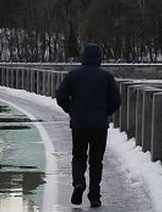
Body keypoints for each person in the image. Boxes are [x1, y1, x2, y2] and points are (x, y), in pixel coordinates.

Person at [56, 43, 121, 208]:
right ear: (99, 57)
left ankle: (78, 182)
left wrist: (71, 110)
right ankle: (94, 196)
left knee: (79, 156)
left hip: (79, 124)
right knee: (96, 161)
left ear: (83, 57)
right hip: (99, 125)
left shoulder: (73, 75)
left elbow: (60, 95)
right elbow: (116, 101)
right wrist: (104, 112)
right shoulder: (107, 77)